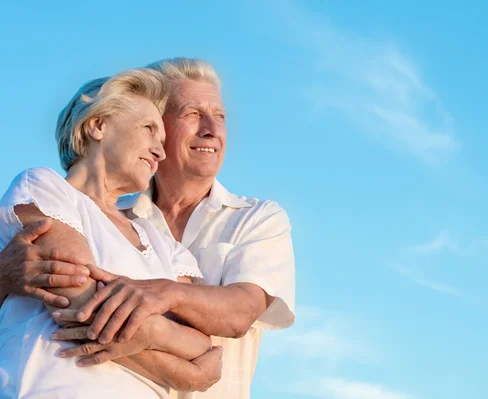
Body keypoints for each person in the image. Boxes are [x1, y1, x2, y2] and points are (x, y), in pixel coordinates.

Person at [0, 58, 296, 399]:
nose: (213, 129)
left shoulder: (250, 220)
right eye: (192, 114)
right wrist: (167, 347)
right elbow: (74, 299)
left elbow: (232, 321)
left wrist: (163, 296)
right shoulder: (53, 190)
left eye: (221, 117)